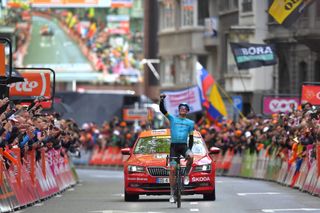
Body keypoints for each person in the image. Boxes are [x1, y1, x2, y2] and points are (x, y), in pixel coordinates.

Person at [159, 94, 194, 203]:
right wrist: (162, 100)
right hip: (174, 147)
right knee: (173, 170)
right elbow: (162, 110)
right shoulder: (172, 118)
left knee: (191, 157)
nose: (182, 110)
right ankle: (172, 193)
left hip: (184, 146)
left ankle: (187, 175)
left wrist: (190, 149)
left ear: (187, 111)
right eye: (180, 108)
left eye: (184, 109)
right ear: (178, 110)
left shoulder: (190, 123)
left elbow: (191, 138)